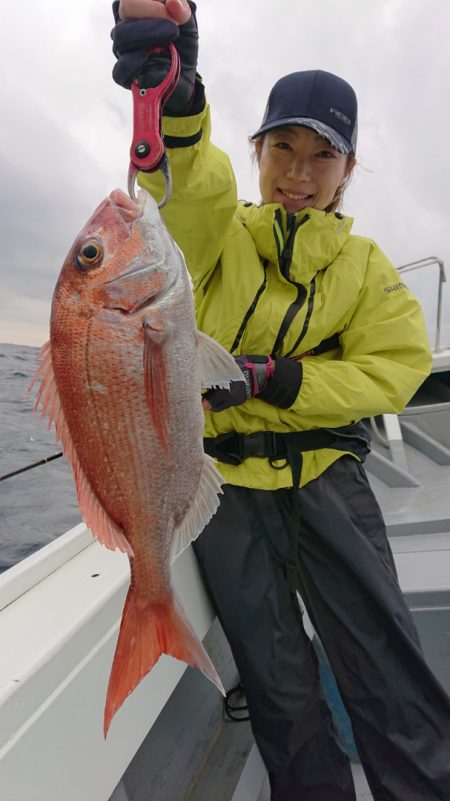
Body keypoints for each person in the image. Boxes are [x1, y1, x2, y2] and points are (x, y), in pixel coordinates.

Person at [111, 2, 450, 799]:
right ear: (257, 151)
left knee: (388, 670)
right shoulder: (220, 235)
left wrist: (287, 381)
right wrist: (179, 101)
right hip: (222, 494)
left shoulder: (366, 268)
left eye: (321, 155)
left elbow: (392, 367)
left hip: (329, 478)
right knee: (279, 687)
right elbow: (189, 186)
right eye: (283, 147)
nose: (299, 172)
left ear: (348, 168)